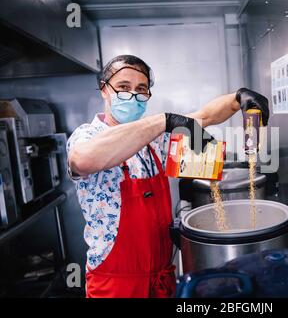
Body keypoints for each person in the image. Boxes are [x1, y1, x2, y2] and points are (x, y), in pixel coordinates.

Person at [66, 54, 269, 298]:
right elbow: (83, 160)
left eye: (141, 89)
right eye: (123, 87)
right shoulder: (87, 136)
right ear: (104, 90)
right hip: (116, 283)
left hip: (162, 279)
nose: (133, 95)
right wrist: (163, 120)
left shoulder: (155, 142)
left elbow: (205, 116)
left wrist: (238, 99)